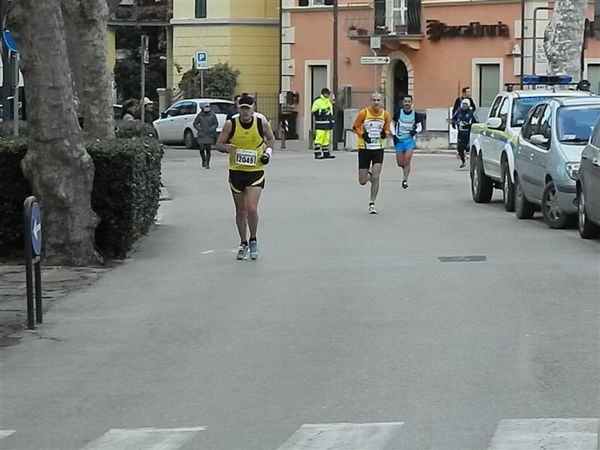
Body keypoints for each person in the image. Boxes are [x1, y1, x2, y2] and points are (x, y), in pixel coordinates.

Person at [216, 94, 275, 261]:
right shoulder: (231, 124)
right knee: (240, 211)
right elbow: (218, 143)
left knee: (251, 209)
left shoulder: (261, 123)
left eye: (248, 109)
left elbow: (271, 139)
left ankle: (253, 239)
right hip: (236, 171)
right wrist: (225, 148)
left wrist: (267, 154)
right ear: (238, 108)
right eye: (242, 108)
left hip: (255, 171)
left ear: (253, 108)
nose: (245, 112)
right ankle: (243, 242)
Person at [352, 92, 392, 214]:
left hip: (378, 149)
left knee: (376, 177)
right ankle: (368, 173)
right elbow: (355, 127)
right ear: (371, 101)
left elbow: (387, 128)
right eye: (374, 100)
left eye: (378, 100)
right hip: (364, 148)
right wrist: (363, 135)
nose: (376, 102)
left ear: (381, 101)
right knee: (362, 181)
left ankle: (372, 203)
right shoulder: (364, 113)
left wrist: (385, 133)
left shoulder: (385, 114)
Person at [393, 95, 424, 189]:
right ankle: (405, 169)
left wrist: (415, 131)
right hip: (399, 140)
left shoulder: (415, 114)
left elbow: (420, 127)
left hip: (409, 141)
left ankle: (405, 180)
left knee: (407, 160)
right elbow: (392, 124)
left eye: (409, 102)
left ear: (411, 103)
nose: (407, 103)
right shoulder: (398, 113)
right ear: (403, 103)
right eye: (405, 101)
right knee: (400, 163)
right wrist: (394, 134)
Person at [311, 88, 335, 159]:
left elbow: (330, 113)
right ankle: (317, 153)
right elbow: (314, 111)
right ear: (324, 94)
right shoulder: (318, 101)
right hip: (320, 123)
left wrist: (332, 121)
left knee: (326, 139)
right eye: (328, 94)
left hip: (327, 124)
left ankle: (326, 153)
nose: (328, 95)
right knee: (319, 138)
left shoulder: (328, 102)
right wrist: (322, 111)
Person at [452, 98, 477, 168]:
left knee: (468, 147)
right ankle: (463, 161)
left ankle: (472, 162)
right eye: (463, 104)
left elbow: (475, 122)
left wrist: (469, 125)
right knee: (460, 148)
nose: (464, 106)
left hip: (468, 133)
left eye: (466, 104)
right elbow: (454, 118)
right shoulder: (459, 111)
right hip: (461, 133)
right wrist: (454, 124)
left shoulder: (471, 113)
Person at [193, 102, 219, 169]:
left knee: (208, 149)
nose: (207, 108)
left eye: (208, 106)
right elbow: (195, 124)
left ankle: (207, 163)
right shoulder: (200, 115)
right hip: (202, 134)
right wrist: (200, 129)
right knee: (201, 149)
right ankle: (203, 160)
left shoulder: (212, 114)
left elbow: (216, 123)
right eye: (206, 106)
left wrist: (212, 129)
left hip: (209, 134)